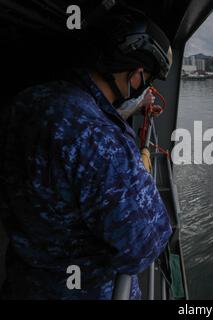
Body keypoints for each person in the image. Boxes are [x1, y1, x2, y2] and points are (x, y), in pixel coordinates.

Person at [0, 9, 173, 299]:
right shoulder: (98, 138)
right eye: (147, 78)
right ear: (136, 74)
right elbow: (148, 242)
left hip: (25, 282)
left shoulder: (29, 101)